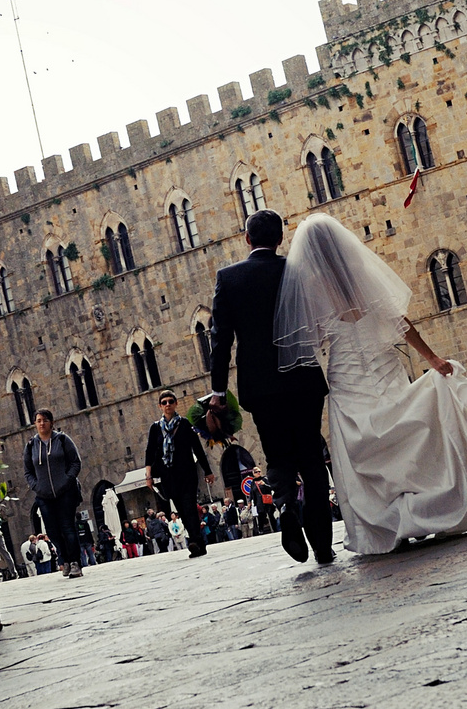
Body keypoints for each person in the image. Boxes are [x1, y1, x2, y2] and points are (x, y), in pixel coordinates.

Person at [267, 212, 467, 555]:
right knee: (404, 431)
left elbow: (314, 340)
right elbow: (400, 322)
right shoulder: (360, 272)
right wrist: (432, 359)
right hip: (383, 363)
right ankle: (423, 507)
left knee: (363, 445)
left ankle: (391, 522)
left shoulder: (310, 285)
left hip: (345, 373)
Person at [208, 208, 336, 564]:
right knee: (311, 457)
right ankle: (323, 546)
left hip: (260, 385)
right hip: (303, 378)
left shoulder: (229, 278)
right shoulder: (298, 271)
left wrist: (218, 392)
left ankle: (285, 510)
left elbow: (221, 340)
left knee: (276, 454)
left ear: (247, 239)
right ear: (281, 239)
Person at [144, 389, 215, 558]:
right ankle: (198, 542)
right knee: (182, 510)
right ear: (160, 406)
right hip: (169, 476)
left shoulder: (184, 424)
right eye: (164, 402)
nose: (168, 405)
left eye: (170, 401)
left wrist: (208, 471)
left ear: (176, 404)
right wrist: (149, 475)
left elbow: (197, 448)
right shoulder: (155, 428)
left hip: (187, 473)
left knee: (190, 507)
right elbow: (150, 452)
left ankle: (195, 542)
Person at [22, 408, 84, 578]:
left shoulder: (63, 440)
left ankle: (74, 562)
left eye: (45, 420)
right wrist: (37, 486)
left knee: (68, 527)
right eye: (38, 420)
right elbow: (28, 471)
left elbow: (75, 463)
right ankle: (63, 559)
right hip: (44, 495)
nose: (42, 423)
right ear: (35, 424)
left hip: (65, 492)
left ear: (51, 422)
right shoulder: (31, 446)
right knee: (53, 531)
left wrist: (67, 480)